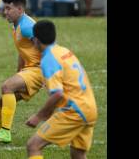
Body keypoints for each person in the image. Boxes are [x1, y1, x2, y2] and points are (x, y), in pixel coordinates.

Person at [25, 20, 97, 159]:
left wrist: (39, 116)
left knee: (33, 146)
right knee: (78, 153)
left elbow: (57, 94)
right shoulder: (64, 51)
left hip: (74, 111)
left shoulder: (48, 59)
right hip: (89, 108)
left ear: (36, 40)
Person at [0, 0, 45, 143]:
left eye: (8, 9)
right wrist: (19, 73)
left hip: (39, 70)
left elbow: (45, 46)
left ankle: (5, 132)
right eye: (4, 9)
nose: (5, 12)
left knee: (6, 87)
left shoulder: (27, 26)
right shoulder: (16, 25)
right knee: (3, 99)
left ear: (20, 9)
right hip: (30, 70)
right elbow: (23, 51)